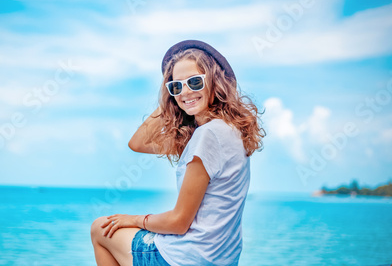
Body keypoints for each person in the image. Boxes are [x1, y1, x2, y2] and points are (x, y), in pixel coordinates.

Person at [90, 40, 265, 266]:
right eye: (176, 86)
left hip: (185, 259)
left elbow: (179, 222)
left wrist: (133, 220)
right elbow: (137, 143)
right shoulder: (229, 131)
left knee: (100, 228)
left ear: (215, 82)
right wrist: (174, 98)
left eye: (194, 82)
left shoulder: (208, 136)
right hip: (219, 260)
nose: (186, 91)